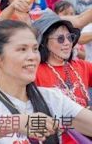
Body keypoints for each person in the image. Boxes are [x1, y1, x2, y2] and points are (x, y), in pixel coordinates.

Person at [0, 19, 92, 143]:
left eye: (35, 49)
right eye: (22, 49)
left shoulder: (52, 98)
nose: (32, 57)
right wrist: (14, 124)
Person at [33, 12, 92, 142]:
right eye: (60, 39)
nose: (67, 43)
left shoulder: (82, 66)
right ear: (43, 42)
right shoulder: (33, 72)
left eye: (69, 37)